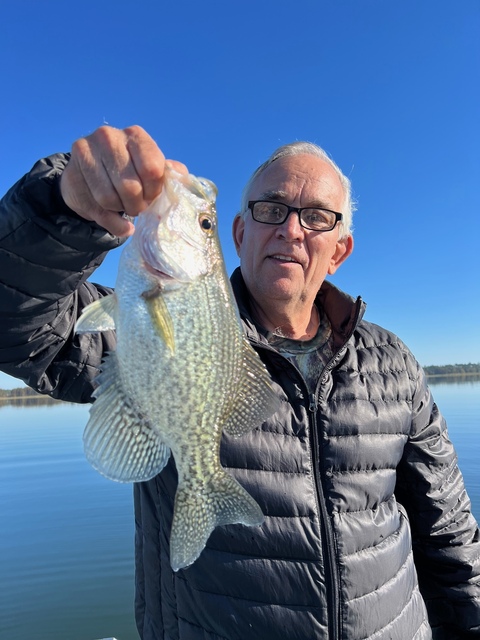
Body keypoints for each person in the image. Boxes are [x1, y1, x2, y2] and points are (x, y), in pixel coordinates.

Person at [0, 125, 479, 640]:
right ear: (238, 234)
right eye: (270, 210)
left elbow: (447, 533)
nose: (291, 231)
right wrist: (64, 209)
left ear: (339, 251)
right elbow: (19, 329)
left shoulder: (394, 364)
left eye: (316, 217)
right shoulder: (139, 329)